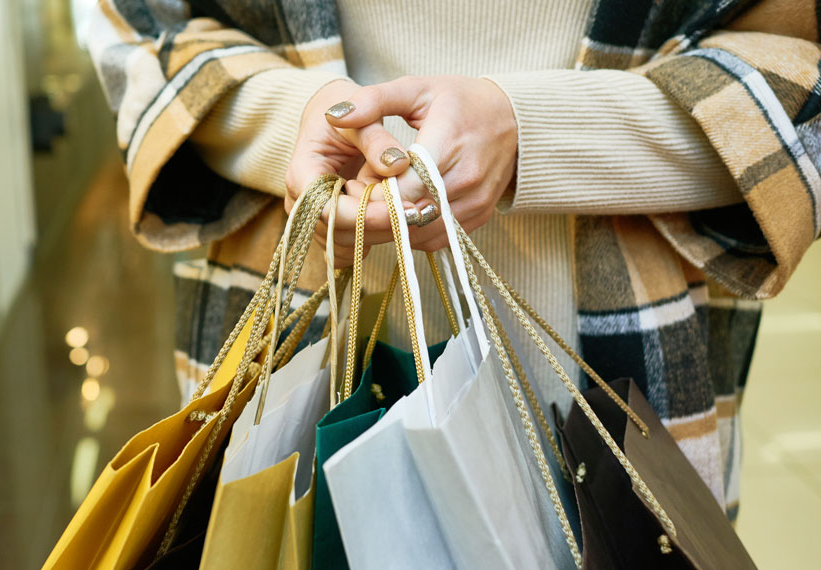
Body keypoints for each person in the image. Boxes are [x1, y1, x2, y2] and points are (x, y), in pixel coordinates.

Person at [87, 0, 821, 517]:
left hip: (615, 367)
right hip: (298, 350)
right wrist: (295, 124)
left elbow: (801, 73)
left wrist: (532, 132)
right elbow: (140, 30)